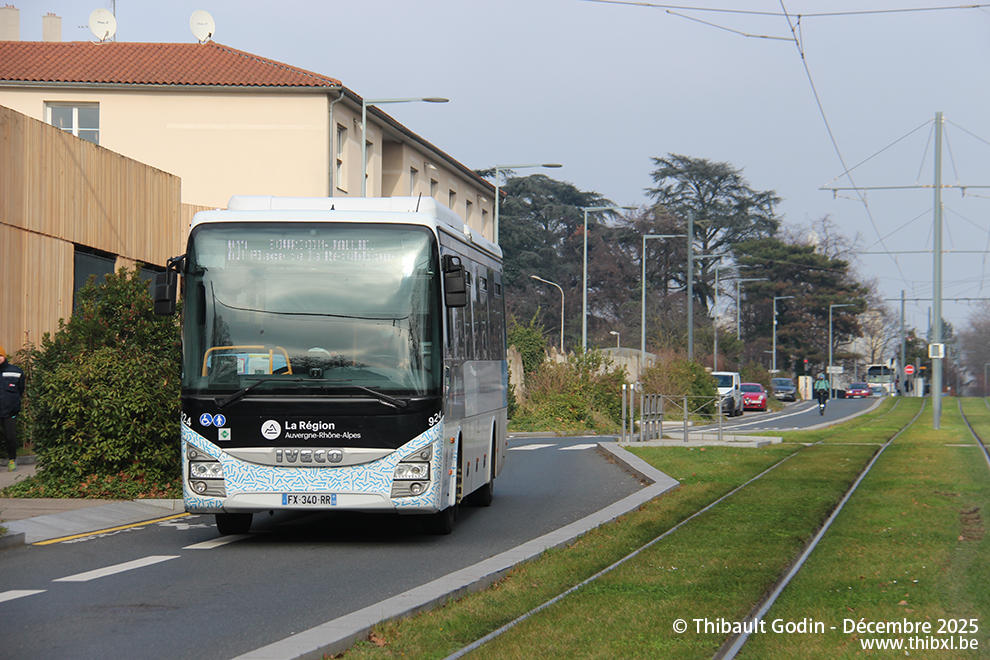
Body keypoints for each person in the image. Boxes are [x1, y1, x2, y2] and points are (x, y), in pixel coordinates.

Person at [0, 346, 26, 471]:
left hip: (9, 410)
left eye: (0, 356)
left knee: (9, 436)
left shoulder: (16, 371)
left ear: (4, 356)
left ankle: (12, 460)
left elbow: (20, 389)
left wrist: (12, 401)